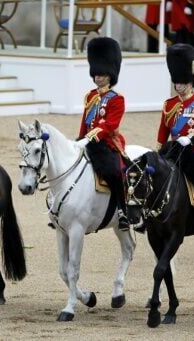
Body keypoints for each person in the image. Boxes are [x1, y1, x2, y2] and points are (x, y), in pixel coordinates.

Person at [156, 43, 194, 233]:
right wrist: (158, 151)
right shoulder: (169, 104)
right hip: (175, 149)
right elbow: (163, 131)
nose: (178, 86)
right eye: (176, 82)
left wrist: (191, 139)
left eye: (182, 82)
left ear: (190, 82)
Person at [76, 37, 130, 231]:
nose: (98, 77)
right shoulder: (90, 96)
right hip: (87, 141)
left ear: (110, 75)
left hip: (106, 143)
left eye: (102, 74)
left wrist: (90, 137)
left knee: (113, 173)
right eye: (96, 74)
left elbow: (109, 125)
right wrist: (80, 139)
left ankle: (123, 212)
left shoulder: (117, 99)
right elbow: (85, 120)